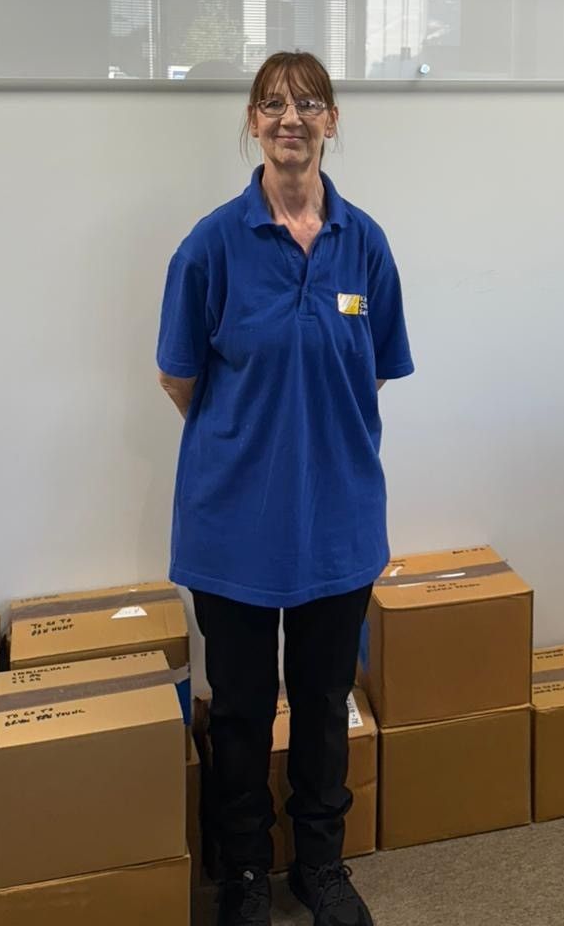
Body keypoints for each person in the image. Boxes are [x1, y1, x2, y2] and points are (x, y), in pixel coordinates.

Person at [157, 50, 413, 926]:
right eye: (271, 104)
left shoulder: (364, 244)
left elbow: (372, 371)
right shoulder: (211, 246)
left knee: (322, 703)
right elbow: (179, 377)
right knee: (238, 709)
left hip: (337, 520)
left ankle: (319, 866)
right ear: (253, 124)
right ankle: (242, 873)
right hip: (232, 523)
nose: (290, 118)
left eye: (307, 103)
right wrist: (256, 444)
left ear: (332, 121)